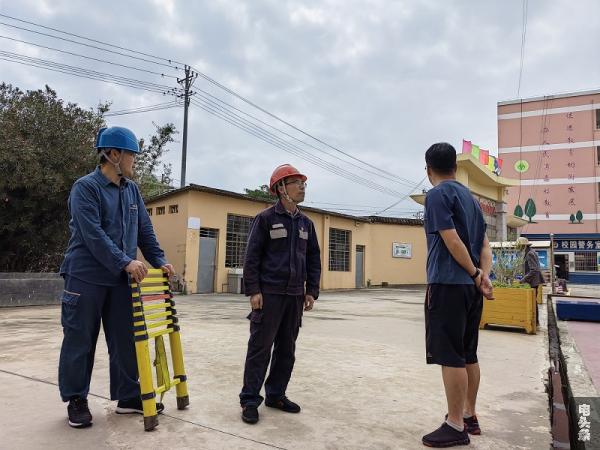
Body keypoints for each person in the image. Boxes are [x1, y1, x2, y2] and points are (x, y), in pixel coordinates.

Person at [58, 126, 174, 428]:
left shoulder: (131, 190)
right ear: (113, 154)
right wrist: (126, 261)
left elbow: (144, 231)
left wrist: (159, 260)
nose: (135, 161)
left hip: (121, 279)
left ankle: (128, 396)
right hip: (85, 277)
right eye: (131, 155)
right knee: (80, 339)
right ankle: (76, 399)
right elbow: (92, 234)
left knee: (127, 340)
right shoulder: (85, 188)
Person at [421, 143, 494, 448]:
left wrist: (475, 274)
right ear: (455, 166)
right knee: (468, 354)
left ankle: (455, 425)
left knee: (450, 356)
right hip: (469, 290)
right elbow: (485, 246)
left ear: (428, 170)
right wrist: (482, 277)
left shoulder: (437, 195)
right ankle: (469, 416)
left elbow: (451, 240)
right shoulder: (472, 200)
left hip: (448, 285)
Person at [239, 164, 321, 424]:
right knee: (259, 349)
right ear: (281, 189)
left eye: (303, 183)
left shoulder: (306, 223)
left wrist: (312, 291)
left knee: (287, 349)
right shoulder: (265, 219)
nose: (302, 187)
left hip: (295, 296)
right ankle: (250, 399)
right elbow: (251, 257)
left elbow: (313, 258)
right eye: (296, 182)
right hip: (269, 294)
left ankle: (276, 394)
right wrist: (253, 290)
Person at [517, 236, 545, 322]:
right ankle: (535, 321)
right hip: (534, 281)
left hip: (533, 282)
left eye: (520, 246)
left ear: (524, 246)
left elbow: (534, 270)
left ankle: (535, 321)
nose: (519, 248)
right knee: (533, 301)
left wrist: (522, 280)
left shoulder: (529, 253)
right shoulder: (531, 252)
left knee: (533, 302)